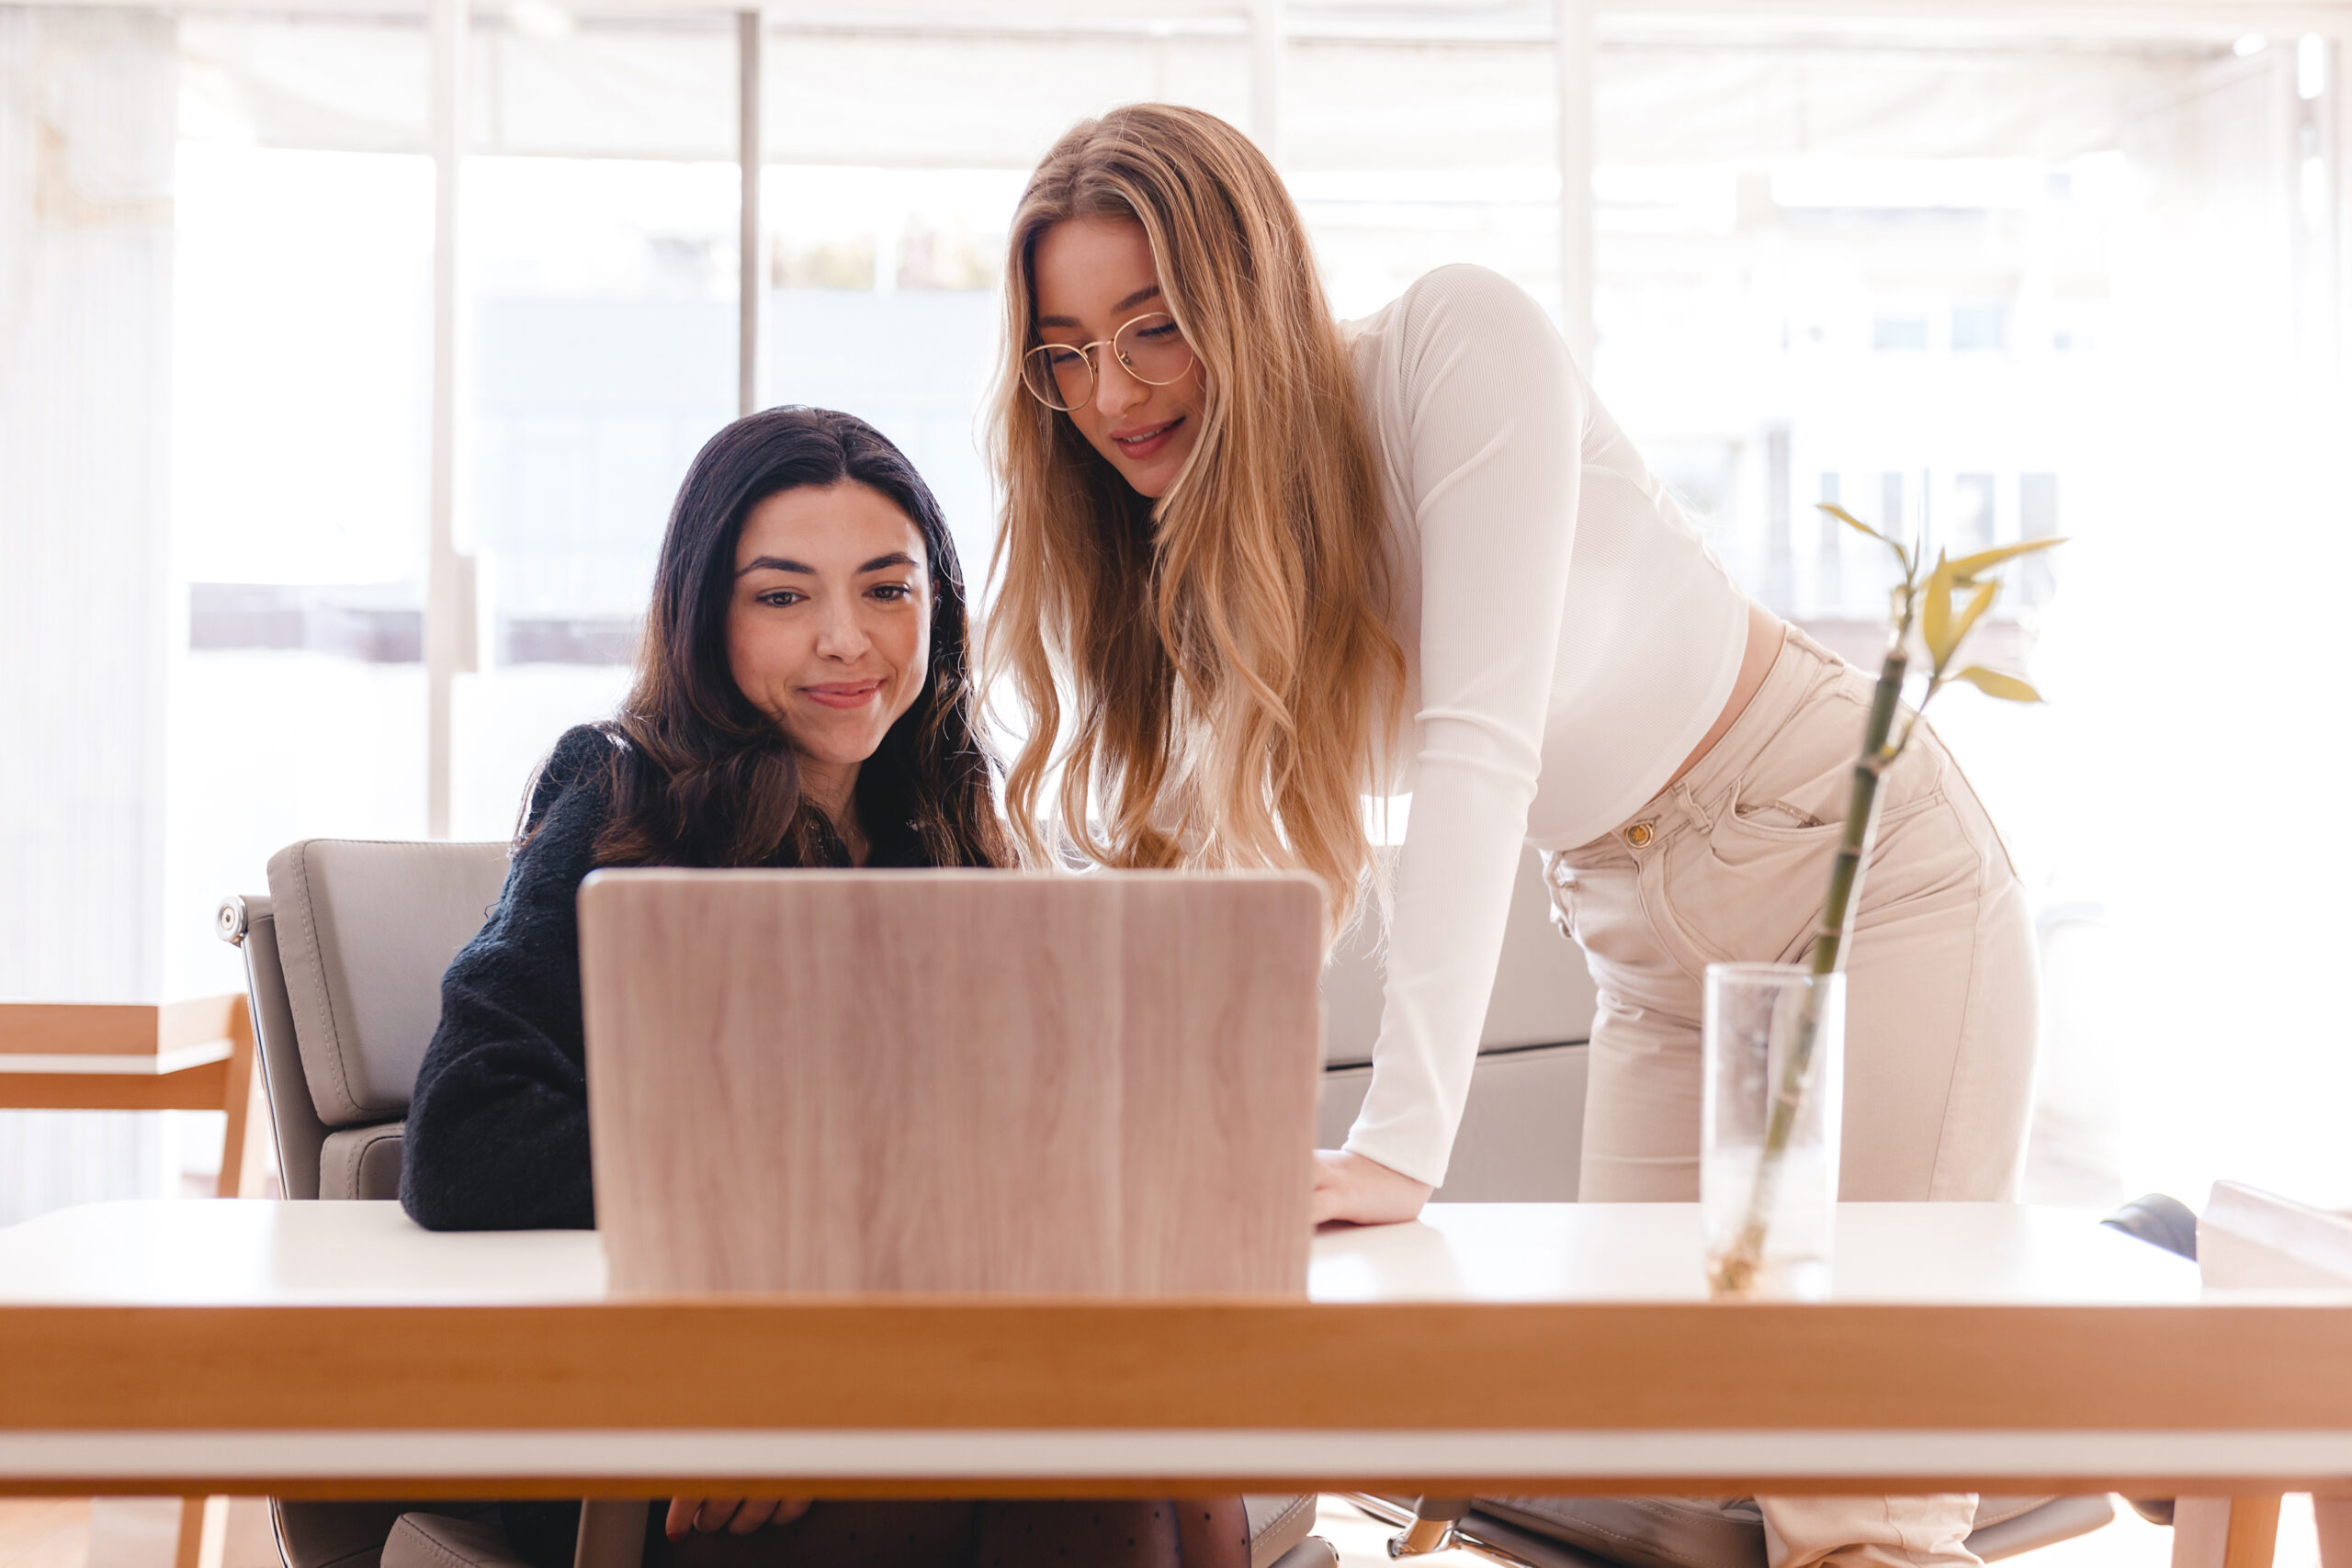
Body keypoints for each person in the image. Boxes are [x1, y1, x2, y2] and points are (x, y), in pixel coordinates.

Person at [985, 105, 2036, 1568]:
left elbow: (1483, 749)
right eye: (1068, 347)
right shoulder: (1223, 554)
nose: (1111, 391)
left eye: (1153, 327)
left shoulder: (1449, 349)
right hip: (1645, 943)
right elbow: (1232, 885)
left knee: (1859, 1500)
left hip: (1861, 862)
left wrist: (1399, 1146)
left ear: (1248, 290)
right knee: (1656, 1484)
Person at [402, 407, 1243, 1568]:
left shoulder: (942, 826)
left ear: (937, 610)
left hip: (905, 1385)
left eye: (886, 591)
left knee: (1173, 1461)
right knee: (1118, 1490)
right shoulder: (622, 794)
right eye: (783, 596)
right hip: (662, 1418)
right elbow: (464, 1136)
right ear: (707, 615)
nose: (846, 641)